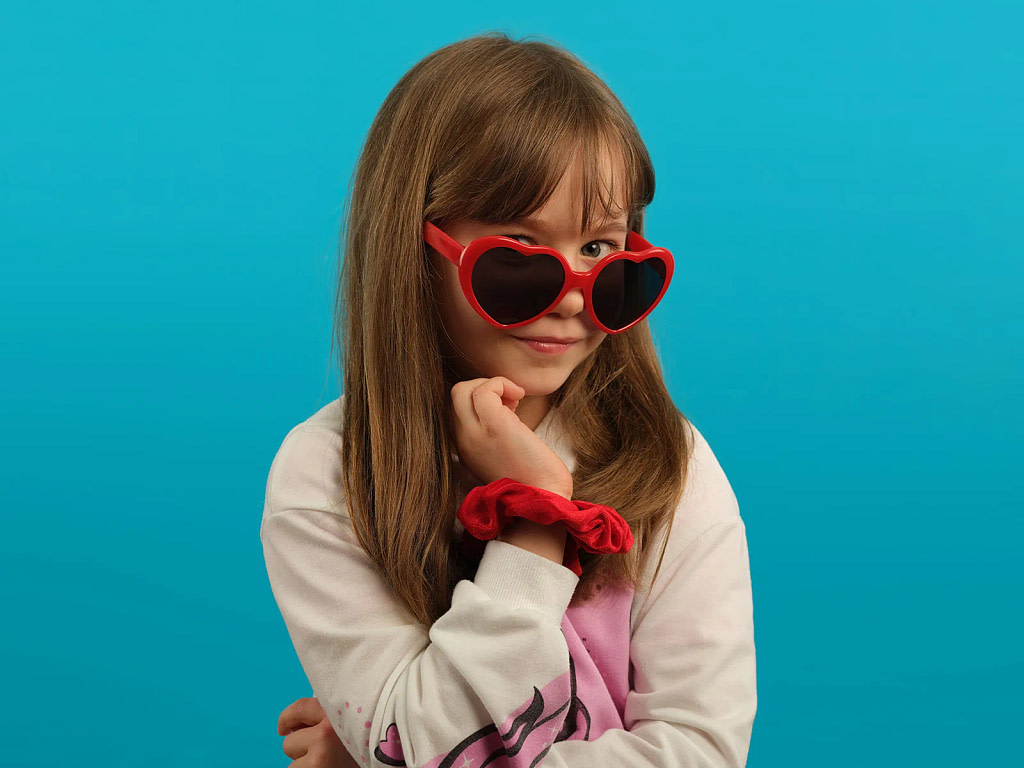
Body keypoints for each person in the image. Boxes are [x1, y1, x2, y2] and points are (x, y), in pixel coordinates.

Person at [260, 31, 757, 768]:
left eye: (599, 249)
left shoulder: (671, 467)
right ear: (418, 251)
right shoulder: (326, 476)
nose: (573, 299)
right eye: (522, 253)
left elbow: (700, 751)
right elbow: (422, 751)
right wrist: (536, 519)